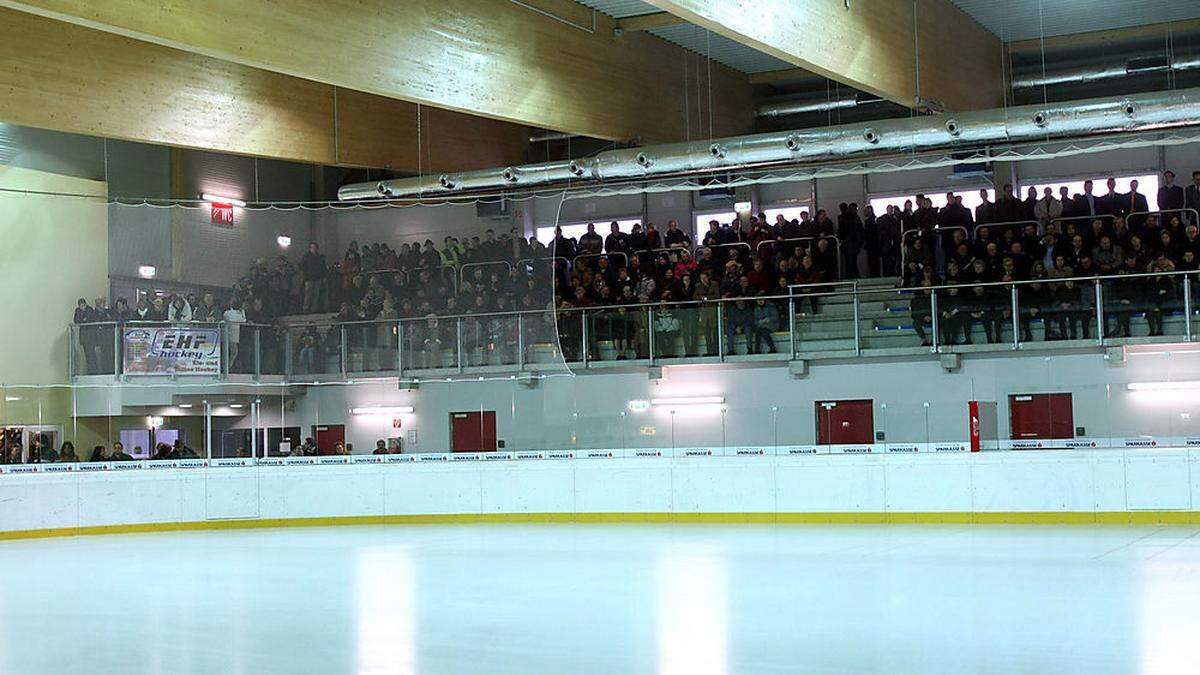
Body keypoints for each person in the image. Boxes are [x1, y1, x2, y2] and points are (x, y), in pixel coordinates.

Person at [301, 242, 327, 312]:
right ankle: (306, 308)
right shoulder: (306, 257)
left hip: (317, 278)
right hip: (309, 278)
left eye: (315, 247)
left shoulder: (319, 257)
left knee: (316, 294)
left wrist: (324, 276)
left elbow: (323, 267)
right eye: (312, 247)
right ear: (310, 248)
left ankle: (313, 309)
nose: (314, 249)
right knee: (308, 294)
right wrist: (305, 276)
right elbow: (303, 267)